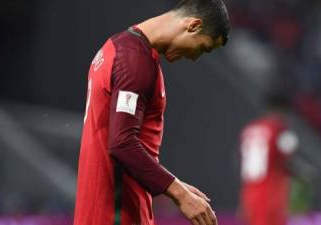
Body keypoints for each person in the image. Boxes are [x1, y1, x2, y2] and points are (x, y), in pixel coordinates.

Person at [74, 0, 230, 225]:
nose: (195, 57)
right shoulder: (134, 61)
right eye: (203, 47)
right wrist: (180, 194)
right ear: (193, 26)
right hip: (116, 213)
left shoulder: (117, 47)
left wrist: (175, 184)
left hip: (105, 210)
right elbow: (122, 144)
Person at [239, 92, 300, 225]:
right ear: (282, 110)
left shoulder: (250, 129)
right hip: (271, 194)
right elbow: (287, 158)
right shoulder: (279, 130)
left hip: (249, 192)